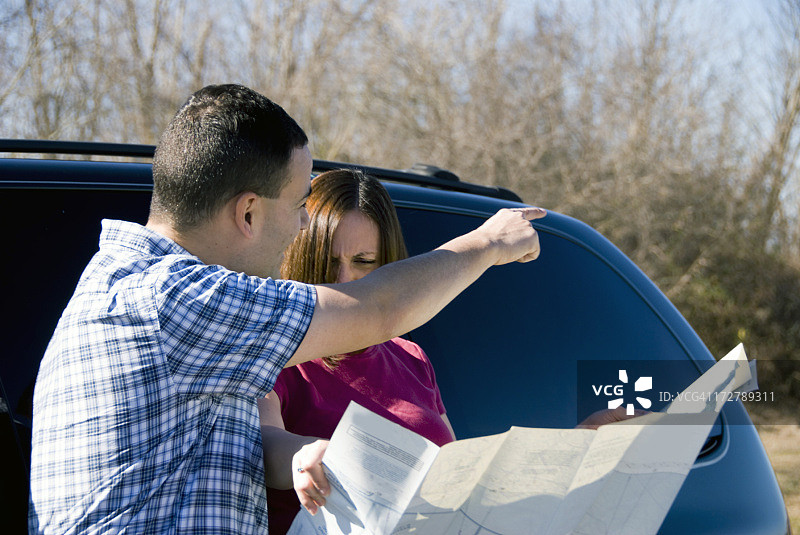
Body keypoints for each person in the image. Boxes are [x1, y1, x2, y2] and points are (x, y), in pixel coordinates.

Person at [27, 83, 546, 534]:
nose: (302, 226)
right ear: (249, 213)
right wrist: (489, 243)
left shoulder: (129, 289)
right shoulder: (177, 302)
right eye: (299, 205)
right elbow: (377, 310)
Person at [258, 169, 457, 534]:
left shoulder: (411, 356)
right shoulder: (276, 348)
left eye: (364, 262)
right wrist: (304, 455)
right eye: (327, 262)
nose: (344, 280)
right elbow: (265, 443)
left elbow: (457, 470)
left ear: (390, 265)